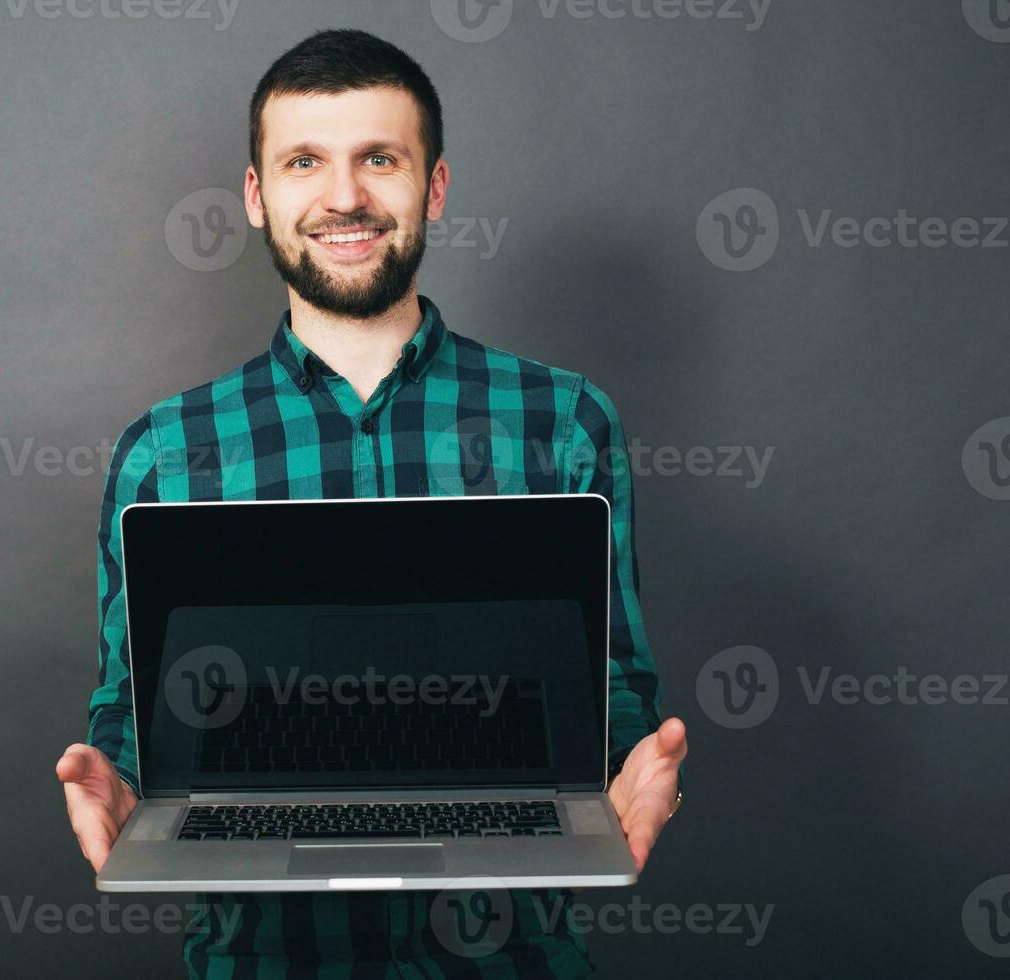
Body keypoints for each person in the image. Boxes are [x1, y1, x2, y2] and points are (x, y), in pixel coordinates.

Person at [57, 28, 688, 978]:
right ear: (258, 196)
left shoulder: (561, 419)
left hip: (510, 959)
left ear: (432, 186)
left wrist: (635, 766)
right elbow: (132, 705)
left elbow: (615, 686)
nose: (344, 196)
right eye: (305, 161)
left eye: (379, 159)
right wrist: (121, 783)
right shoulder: (167, 453)